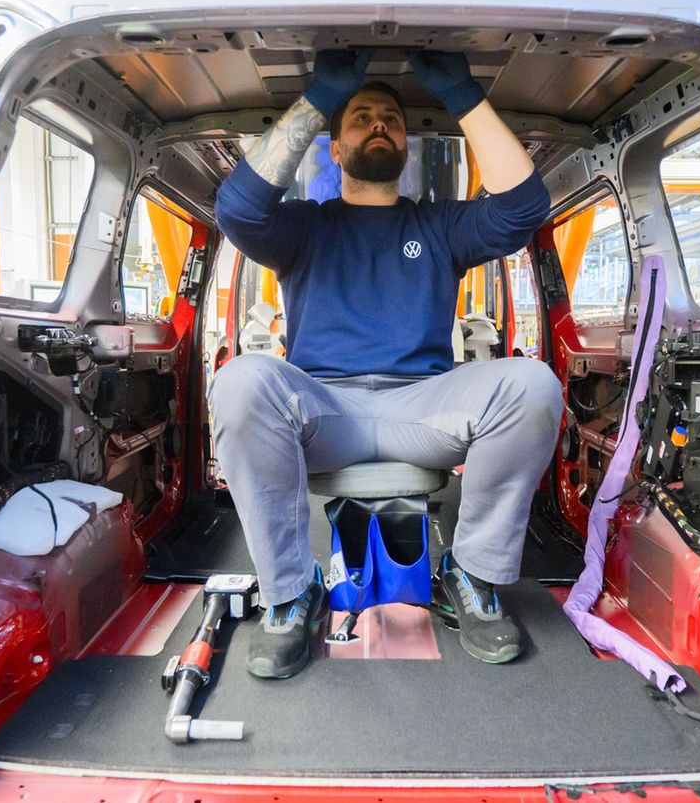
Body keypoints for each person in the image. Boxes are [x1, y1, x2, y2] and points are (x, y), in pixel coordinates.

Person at [211, 49, 562, 679]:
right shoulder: (303, 228)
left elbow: (522, 209)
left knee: (532, 383)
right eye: (361, 117)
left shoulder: (439, 226)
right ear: (336, 150)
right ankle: (291, 594)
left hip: (420, 408)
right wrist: (321, 97)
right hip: (325, 411)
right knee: (239, 381)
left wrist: (462, 92)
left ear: (405, 144)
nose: (379, 124)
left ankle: (471, 574)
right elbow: (238, 211)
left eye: (392, 118)